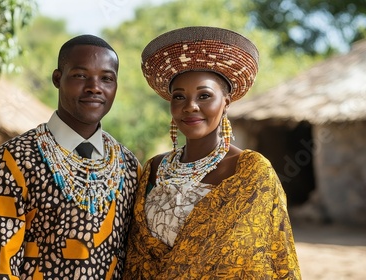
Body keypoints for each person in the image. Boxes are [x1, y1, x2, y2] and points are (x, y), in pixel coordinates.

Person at [123, 26, 301, 279]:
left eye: (204, 96)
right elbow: (135, 255)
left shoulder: (250, 171)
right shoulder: (153, 168)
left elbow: (270, 256)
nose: (190, 106)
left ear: (226, 102)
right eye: (179, 97)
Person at [0, 35, 141, 280]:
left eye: (106, 78)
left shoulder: (127, 166)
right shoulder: (15, 160)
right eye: (80, 75)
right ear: (57, 78)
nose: (95, 87)